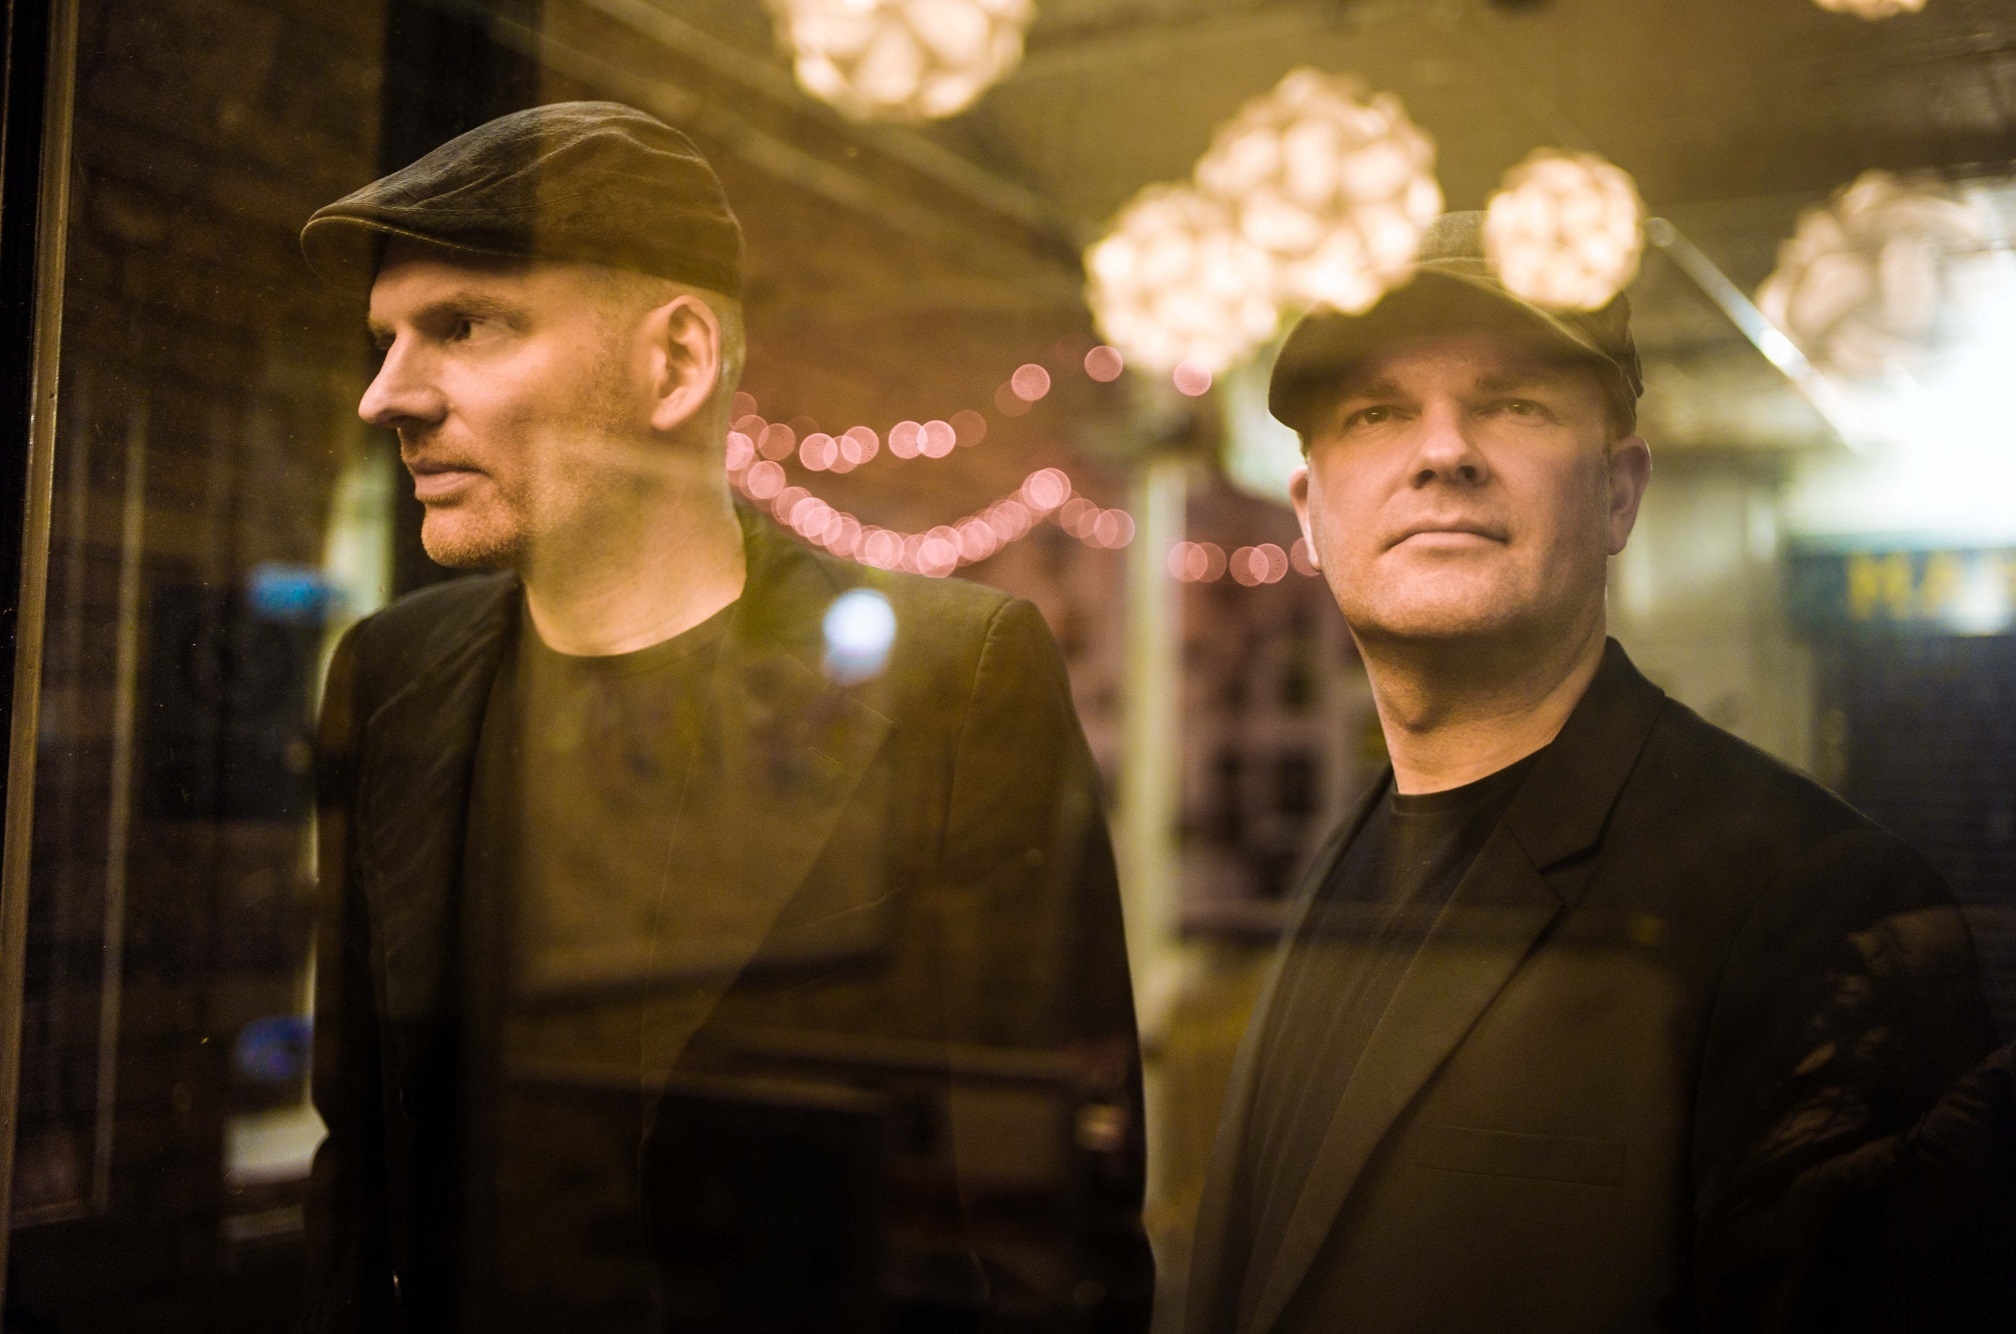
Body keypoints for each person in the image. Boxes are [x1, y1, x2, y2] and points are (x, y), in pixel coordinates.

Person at [296, 102, 1152, 1333]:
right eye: (384, 339)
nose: (387, 396)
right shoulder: (389, 678)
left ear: (677, 361)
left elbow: (1047, 1229)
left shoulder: (952, 676)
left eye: (465, 326)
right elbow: (357, 1168)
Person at [1184, 212, 2012, 1333]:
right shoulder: (1352, 851)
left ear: (1619, 494)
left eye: (1513, 404)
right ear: (1311, 517)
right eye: (1377, 412)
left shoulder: (1819, 897)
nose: (1443, 449)